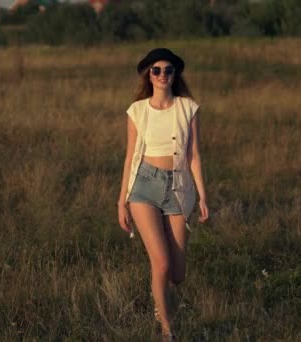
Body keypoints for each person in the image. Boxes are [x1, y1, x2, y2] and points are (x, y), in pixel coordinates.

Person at [117, 48, 209, 341]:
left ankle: (161, 294)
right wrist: (122, 201)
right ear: (149, 74)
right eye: (156, 70)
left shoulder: (187, 108)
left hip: (178, 187)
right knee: (161, 262)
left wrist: (204, 196)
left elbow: (193, 154)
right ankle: (166, 328)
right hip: (143, 186)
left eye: (168, 70)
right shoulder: (137, 110)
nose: (162, 75)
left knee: (177, 274)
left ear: (175, 75)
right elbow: (130, 156)